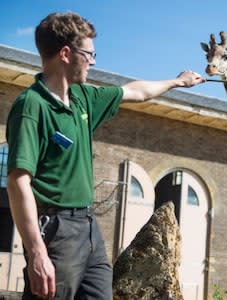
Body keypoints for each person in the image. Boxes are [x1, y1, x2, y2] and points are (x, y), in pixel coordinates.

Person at [6, 12, 205, 300]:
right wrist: (36, 251)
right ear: (65, 53)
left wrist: (176, 82)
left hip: (89, 227)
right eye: (89, 54)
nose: (94, 61)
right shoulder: (32, 106)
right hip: (55, 229)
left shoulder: (83, 98)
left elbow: (135, 92)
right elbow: (18, 183)